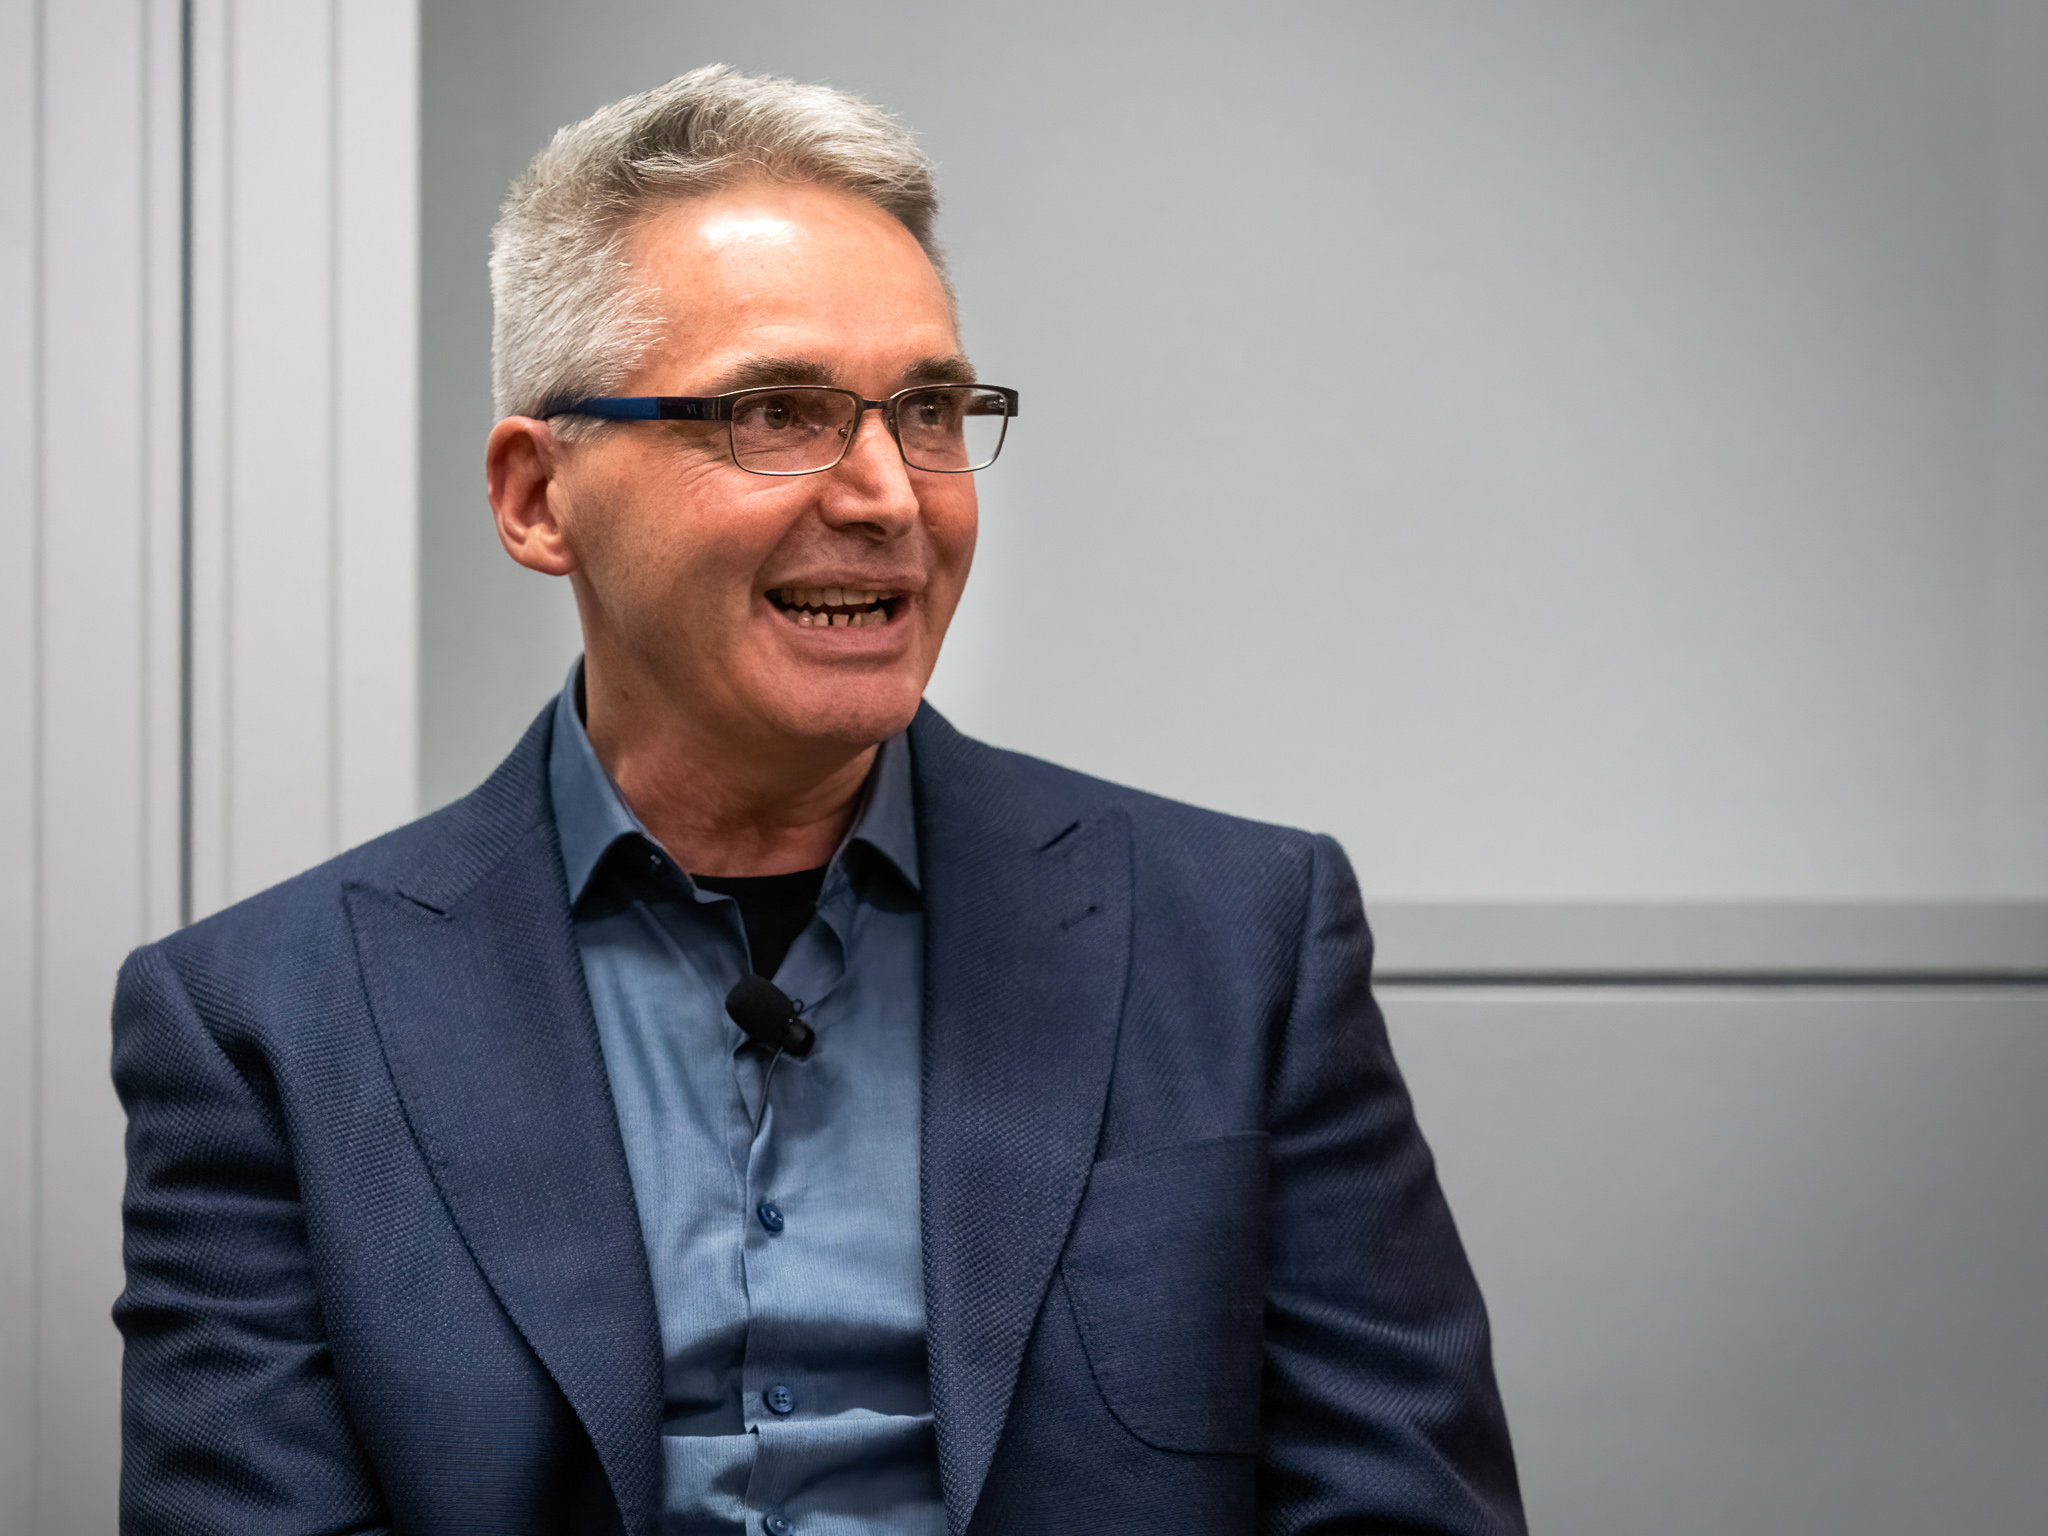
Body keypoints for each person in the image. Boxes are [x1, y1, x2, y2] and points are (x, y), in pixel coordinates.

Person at [113, 65, 1525, 1535]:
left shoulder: (1240, 943)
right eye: (776, 412)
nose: (890, 496)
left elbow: (1402, 1505)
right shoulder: (265, 1024)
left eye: (929, 410)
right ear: (539, 496)